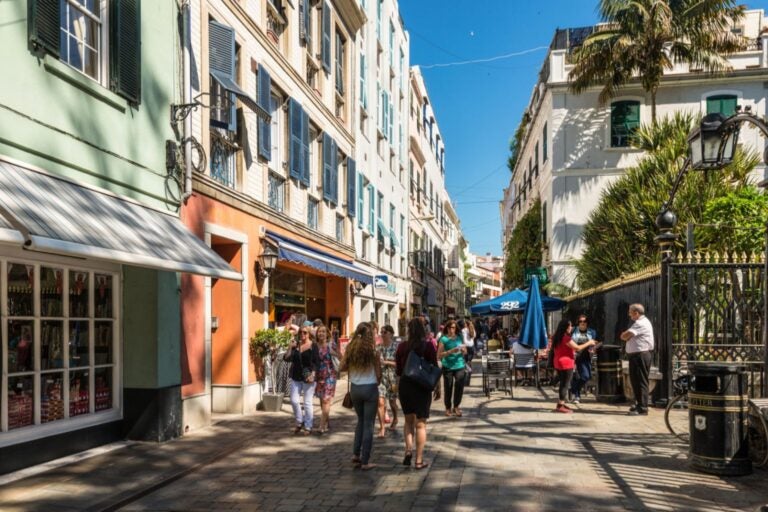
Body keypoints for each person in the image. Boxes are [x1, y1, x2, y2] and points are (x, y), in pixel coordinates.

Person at [396, 318, 438, 470]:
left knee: (408, 421)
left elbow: (399, 371)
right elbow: (434, 368)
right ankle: (419, 460)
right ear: (422, 330)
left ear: (408, 331)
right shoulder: (427, 347)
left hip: (405, 387)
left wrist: (398, 387)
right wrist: (437, 387)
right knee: (421, 424)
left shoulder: (401, 347)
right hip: (422, 387)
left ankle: (408, 450)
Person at [340, 322, 381, 470]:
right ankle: (365, 461)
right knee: (369, 425)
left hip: (355, 389)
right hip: (370, 388)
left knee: (360, 421)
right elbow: (378, 375)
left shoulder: (351, 349)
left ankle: (355, 454)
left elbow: (342, 368)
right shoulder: (373, 351)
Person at [551, 319, 596, 413]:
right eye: (570, 326)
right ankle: (560, 405)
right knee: (565, 385)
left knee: (563, 383)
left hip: (558, 362)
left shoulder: (556, 337)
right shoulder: (566, 338)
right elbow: (577, 347)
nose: (571, 328)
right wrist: (589, 342)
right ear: (566, 327)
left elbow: (565, 348)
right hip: (566, 363)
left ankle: (561, 404)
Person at [284, 325, 320, 434]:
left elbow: (316, 362)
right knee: (294, 400)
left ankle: (308, 426)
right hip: (296, 376)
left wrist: (313, 375)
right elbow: (286, 358)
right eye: (301, 333)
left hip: (308, 377)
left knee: (307, 402)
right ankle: (300, 421)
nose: (302, 335)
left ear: (309, 334)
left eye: (305, 333)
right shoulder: (296, 345)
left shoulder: (313, 346)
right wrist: (290, 347)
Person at [620, 303, 655, 416]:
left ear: (636, 312)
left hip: (640, 355)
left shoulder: (640, 323)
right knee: (636, 381)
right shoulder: (640, 322)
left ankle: (643, 407)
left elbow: (624, 336)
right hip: (637, 356)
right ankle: (639, 403)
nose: (629, 314)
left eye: (630, 312)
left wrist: (624, 335)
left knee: (640, 381)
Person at [437, 320, 467, 417]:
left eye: (453, 327)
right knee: (448, 387)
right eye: (450, 328)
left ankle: (456, 406)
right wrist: (451, 351)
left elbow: (465, 351)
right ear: (447, 328)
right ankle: (448, 408)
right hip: (448, 366)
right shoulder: (443, 339)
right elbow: (439, 355)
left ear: (456, 328)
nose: (451, 330)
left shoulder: (459, 338)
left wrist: (463, 350)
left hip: (459, 365)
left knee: (459, 385)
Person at [314, 325, 339, 434]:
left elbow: (342, 356)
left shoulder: (331, 344)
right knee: (321, 399)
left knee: (326, 400)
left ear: (327, 333)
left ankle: (321, 426)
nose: (321, 333)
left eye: (323, 331)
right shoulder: (314, 346)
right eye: (319, 331)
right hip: (319, 376)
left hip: (330, 375)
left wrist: (334, 353)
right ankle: (327, 421)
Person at [569, 315, 599, 404]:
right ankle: (577, 396)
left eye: (584, 321)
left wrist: (593, 348)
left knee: (586, 376)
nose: (582, 323)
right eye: (580, 321)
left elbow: (595, 343)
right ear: (578, 322)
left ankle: (574, 389)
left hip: (585, 356)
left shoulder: (592, 332)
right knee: (576, 376)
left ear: (587, 323)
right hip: (574, 355)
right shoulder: (573, 330)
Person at [376, 325, 399, 438]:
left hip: (393, 378)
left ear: (390, 333)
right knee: (380, 403)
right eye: (381, 332)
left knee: (392, 403)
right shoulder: (378, 347)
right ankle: (382, 427)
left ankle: (395, 418)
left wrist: (387, 362)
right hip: (380, 378)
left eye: (384, 332)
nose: (382, 334)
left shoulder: (396, 347)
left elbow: (399, 364)